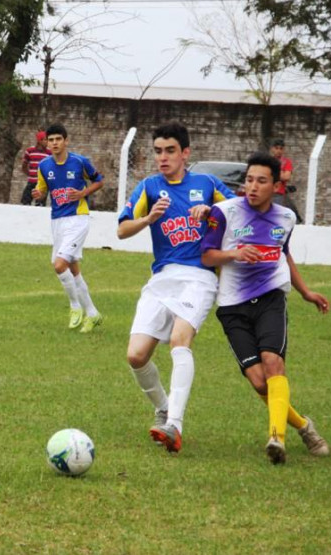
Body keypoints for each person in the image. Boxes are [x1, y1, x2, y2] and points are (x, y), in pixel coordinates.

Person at [201, 151, 331, 464]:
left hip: (272, 298)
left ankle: (277, 437)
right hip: (233, 306)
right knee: (259, 381)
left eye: (261, 181)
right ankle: (303, 425)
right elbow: (207, 256)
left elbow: (283, 254)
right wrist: (234, 254)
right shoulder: (224, 212)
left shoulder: (285, 217)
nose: (253, 186)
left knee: (274, 363)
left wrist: (305, 291)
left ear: (276, 186)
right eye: (249, 180)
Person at [117, 122, 235, 452]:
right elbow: (122, 230)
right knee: (136, 356)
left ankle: (174, 426)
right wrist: (148, 219)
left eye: (170, 151)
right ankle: (163, 409)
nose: (163, 158)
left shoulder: (207, 183)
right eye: (157, 151)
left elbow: (241, 212)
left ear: (185, 153)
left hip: (199, 276)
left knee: (179, 341)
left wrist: (212, 210)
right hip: (162, 278)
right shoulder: (149, 187)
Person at [31, 123, 105, 333]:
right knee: (73, 270)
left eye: (58, 139)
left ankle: (75, 307)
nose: (54, 143)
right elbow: (42, 189)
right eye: (50, 140)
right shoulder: (44, 166)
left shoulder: (79, 162)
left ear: (66, 141)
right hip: (57, 221)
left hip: (78, 219)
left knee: (59, 265)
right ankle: (93, 314)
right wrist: (38, 194)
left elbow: (99, 181)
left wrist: (83, 193)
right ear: (47, 142)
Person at [269, 138, 302, 223]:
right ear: (272, 148)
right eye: (276, 148)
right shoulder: (268, 160)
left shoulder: (286, 162)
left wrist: (273, 172)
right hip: (267, 192)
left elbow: (286, 177)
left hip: (279, 194)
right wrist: (280, 172)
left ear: (283, 150)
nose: (278, 151)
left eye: (281, 148)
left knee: (277, 216)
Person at [20, 130, 51, 206]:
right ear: (39, 140)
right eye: (45, 140)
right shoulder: (30, 151)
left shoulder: (49, 153)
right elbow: (24, 164)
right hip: (31, 182)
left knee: (40, 204)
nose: (47, 142)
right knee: (25, 202)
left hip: (42, 184)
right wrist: (29, 174)